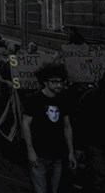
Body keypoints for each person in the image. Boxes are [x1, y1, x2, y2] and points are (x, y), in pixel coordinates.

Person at [22, 63, 76, 193]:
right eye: (55, 82)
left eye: (61, 81)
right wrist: (30, 151)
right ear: (45, 82)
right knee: (41, 189)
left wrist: (71, 152)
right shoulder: (33, 99)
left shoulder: (64, 99)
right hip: (39, 153)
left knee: (55, 188)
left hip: (58, 154)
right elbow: (25, 124)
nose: (59, 85)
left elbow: (67, 126)